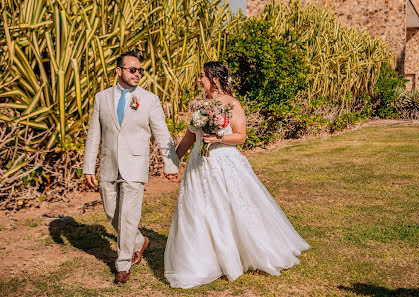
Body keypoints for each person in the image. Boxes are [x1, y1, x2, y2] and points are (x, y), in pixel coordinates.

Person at [164, 61, 310, 289]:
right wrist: (173, 162)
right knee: (197, 209)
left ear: (214, 79)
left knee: (227, 207)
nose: (199, 80)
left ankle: (241, 252)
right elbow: (188, 138)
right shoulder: (200, 105)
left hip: (223, 163)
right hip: (198, 165)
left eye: (202, 76)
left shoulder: (232, 104)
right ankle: (202, 258)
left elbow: (240, 136)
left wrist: (218, 138)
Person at [83, 51, 179, 284]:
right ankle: (138, 241)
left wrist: (170, 163)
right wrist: (88, 166)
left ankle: (123, 264)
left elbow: (161, 132)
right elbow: (94, 134)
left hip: (135, 164)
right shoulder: (101, 97)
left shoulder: (149, 99)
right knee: (111, 212)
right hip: (108, 164)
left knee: (128, 215)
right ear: (119, 71)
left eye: (140, 70)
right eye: (132, 69)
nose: (137, 74)